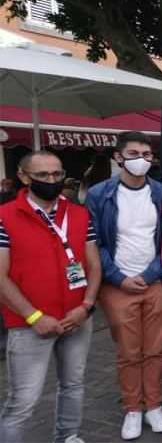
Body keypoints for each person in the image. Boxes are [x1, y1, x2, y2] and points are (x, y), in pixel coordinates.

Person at [0, 151, 101, 443]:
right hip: (30, 324)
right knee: (23, 401)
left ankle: (67, 436)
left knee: (73, 384)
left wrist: (86, 306)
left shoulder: (79, 214)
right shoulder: (5, 217)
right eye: (43, 175)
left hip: (76, 318)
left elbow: (94, 265)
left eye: (57, 174)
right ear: (24, 177)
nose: (51, 180)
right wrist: (34, 317)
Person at [85, 131, 162, 440]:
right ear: (118, 157)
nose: (141, 160)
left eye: (147, 155)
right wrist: (119, 278)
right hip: (117, 285)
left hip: (155, 282)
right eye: (134, 154)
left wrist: (150, 275)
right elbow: (94, 242)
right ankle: (133, 409)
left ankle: (154, 406)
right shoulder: (99, 194)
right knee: (128, 352)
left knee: (156, 351)